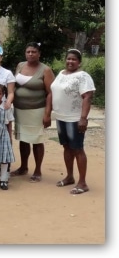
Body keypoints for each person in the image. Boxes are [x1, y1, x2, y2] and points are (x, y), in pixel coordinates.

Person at [51, 49, 95, 195]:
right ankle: (70, 176)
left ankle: (82, 183)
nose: (70, 61)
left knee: (77, 149)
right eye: (68, 59)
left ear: (79, 62)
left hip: (74, 118)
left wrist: (83, 118)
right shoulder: (61, 73)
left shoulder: (83, 76)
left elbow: (87, 97)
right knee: (66, 147)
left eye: (74, 59)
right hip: (61, 117)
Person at [11, 42, 55, 182]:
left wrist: (47, 114)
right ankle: (23, 167)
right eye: (28, 51)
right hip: (19, 110)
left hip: (36, 110)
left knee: (36, 140)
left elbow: (50, 93)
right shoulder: (20, 65)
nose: (31, 54)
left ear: (39, 54)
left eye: (34, 52)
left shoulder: (45, 70)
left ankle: (37, 170)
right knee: (23, 139)